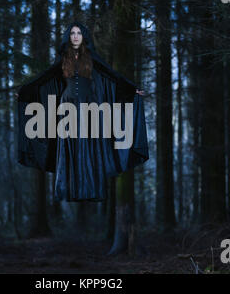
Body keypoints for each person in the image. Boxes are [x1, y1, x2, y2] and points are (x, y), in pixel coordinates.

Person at [16, 21, 149, 202]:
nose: (76, 36)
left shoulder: (91, 58)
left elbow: (112, 75)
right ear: (68, 37)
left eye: (79, 33)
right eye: (72, 33)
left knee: (89, 146)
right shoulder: (64, 59)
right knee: (68, 147)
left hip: (89, 106)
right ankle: (67, 190)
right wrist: (25, 90)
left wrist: (132, 89)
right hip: (67, 106)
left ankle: (90, 189)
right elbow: (44, 77)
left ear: (84, 36)